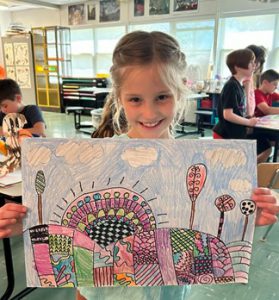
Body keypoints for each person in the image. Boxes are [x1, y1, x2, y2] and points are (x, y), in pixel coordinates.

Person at [1, 31, 279, 300]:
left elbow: (211, 232)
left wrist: (245, 219)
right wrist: (23, 224)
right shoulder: (91, 162)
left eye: (162, 96)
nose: (149, 112)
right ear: (120, 97)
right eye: (135, 99)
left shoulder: (204, 166)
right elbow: (71, 243)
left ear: (180, 91)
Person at [213, 49, 271, 163]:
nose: (254, 65)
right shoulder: (231, 86)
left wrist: (248, 121)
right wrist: (248, 122)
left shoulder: (238, 85)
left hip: (235, 133)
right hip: (226, 134)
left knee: (265, 146)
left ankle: (251, 170)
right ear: (238, 67)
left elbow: (239, 111)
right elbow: (228, 114)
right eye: (251, 62)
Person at [243, 45, 266, 117]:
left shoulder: (250, 76)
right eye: (253, 61)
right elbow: (247, 100)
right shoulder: (246, 77)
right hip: (244, 118)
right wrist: (250, 116)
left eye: (257, 62)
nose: (255, 65)